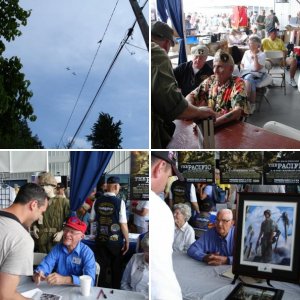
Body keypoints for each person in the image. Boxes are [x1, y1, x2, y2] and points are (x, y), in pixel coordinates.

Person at [151, 21, 216, 148]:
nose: (198, 60)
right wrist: (198, 112)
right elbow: (171, 102)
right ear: (166, 43)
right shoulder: (161, 55)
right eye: (196, 57)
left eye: (201, 58)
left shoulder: (209, 72)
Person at [0, 183, 48, 300]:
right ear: (34, 205)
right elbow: (5, 295)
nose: (40, 217)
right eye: (41, 212)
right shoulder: (22, 239)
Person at [186, 50, 249, 127]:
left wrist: (212, 125)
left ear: (231, 69)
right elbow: (191, 95)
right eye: (214, 66)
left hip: (230, 127)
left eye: (220, 67)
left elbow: (237, 112)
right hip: (211, 125)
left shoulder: (238, 83)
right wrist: (193, 112)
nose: (215, 71)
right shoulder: (211, 80)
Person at [151, 151, 182, 300]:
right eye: (169, 176)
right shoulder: (160, 209)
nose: (166, 183)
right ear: (159, 167)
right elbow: (160, 282)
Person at [90, 176, 129, 289]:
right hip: (115, 241)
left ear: (107, 186)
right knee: (116, 268)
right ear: (116, 186)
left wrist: (93, 234)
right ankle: (116, 290)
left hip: (100, 240)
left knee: (100, 268)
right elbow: (123, 223)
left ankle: (99, 290)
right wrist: (126, 240)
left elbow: (92, 220)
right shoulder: (119, 202)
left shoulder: (97, 200)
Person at [33, 216, 96, 286]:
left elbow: (90, 282)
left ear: (81, 237)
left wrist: (65, 280)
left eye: (72, 232)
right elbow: (46, 264)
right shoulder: (57, 248)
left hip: (77, 292)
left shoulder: (87, 253)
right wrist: (39, 273)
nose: (67, 234)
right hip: (59, 291)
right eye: (66, 230)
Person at [32, 172, 70, 253]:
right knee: (42, 261)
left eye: (46, 185)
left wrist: (62, 232)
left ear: (53, 186)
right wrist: (35, 227)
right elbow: (35, 218)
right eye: (41, 185)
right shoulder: (39, 202)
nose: (43, 188)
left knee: (56, 262)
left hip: (56, 239)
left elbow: (70, 221)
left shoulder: (64, 202)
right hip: (41, 239)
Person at [240, 35, 266, 114]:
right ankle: (252, 104)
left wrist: (255, 56)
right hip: (246, 72)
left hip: (258, 74)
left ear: (257, 45)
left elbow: (257, 68)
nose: (249, 45)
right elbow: (241, 64)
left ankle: (246, 101)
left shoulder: (262, 55)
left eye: (251, 43)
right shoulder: (246, 52)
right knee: (249, 78)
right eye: (249, 43)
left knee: (249, 78)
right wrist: (242, 69)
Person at [121, 233, 149, 297]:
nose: (149, 254)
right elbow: (124, 282)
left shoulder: (163, 267)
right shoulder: (135, 258)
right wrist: (132, 296)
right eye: (146, 251)